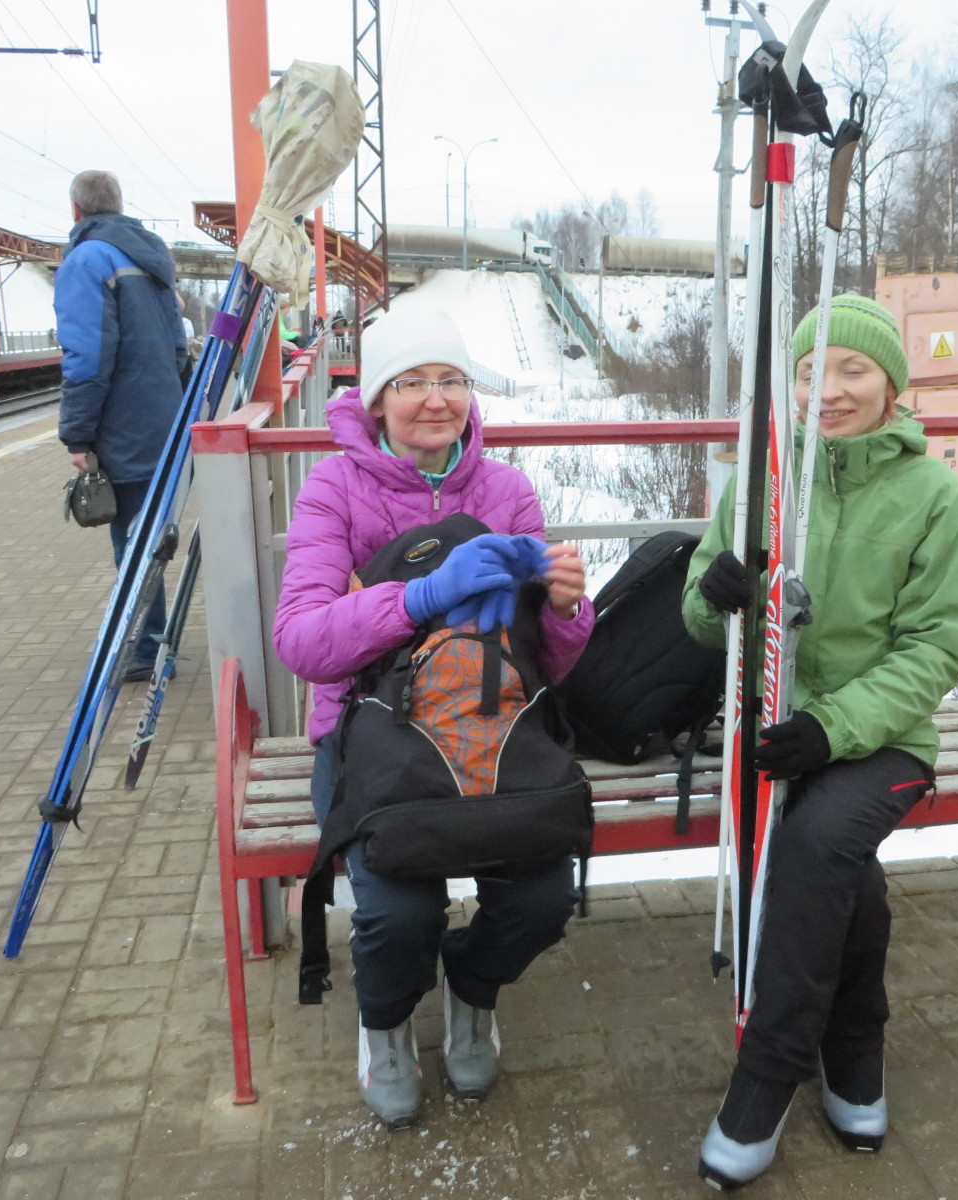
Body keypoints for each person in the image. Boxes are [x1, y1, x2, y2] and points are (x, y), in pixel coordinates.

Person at [272, 306, 593, 1130]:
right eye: (411, 381)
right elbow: (302, 641)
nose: (436, 398)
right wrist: (418, 597)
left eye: (451, 379)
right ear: (376, 399)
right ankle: (384, 1024)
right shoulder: (333, 488)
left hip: (494, 728)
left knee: (542, 897)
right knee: (396, 911)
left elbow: (547, 663)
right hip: (371, 735)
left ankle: (472, 988)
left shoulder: (506, 491)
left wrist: (564, 608)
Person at [682, 295, 958, 1188]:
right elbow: (697, 616)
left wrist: (833, 727)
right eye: (812, 373)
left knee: (813, 844)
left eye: (854, 370)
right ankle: (855, 1042)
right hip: (776, 721)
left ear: (892, 382)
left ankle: (768, 1072)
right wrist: (719, 597)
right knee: (845, 875)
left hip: (884, 737)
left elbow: (937, 648)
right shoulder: (761, 481)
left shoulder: (932, 494)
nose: (831, 391)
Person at [54, 169, 189, 681]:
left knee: (131, 540)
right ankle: (151, 641)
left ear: (76, 210)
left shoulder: (88, 260)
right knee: (148, 532)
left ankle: (143, 650)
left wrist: (78, 433)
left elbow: (86, 355)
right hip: (164, 418)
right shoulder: (150, 256)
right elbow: (179, 347)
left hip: (123, 424)